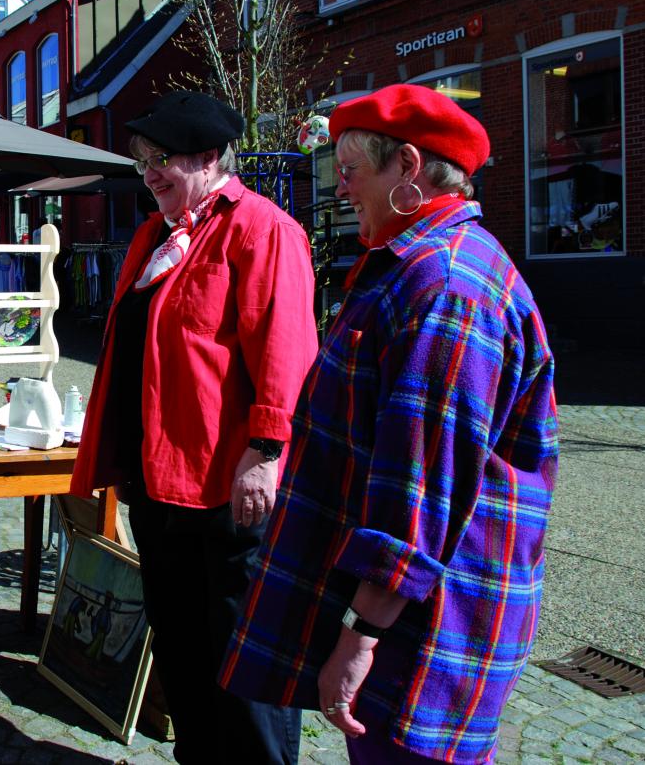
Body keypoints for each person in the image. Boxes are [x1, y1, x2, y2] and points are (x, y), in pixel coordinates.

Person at [219, 85, 558, 764]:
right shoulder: (416, 266)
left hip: (429, 628)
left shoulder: (447, 285)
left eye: (350, 171)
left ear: (408, 166)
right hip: (417, 617)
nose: (340, 188)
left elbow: (420, 491)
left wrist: (358, 635)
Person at [70, 91, 318, 764]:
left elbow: (285, 349)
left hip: (228, 489)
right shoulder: (154, 237)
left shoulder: (261, 228)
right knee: (183, 657)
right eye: (142, 161)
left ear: (208, 159)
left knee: (245, 671)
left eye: (161, 159)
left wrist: (266, 450)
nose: (148, 173)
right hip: (159, 484)